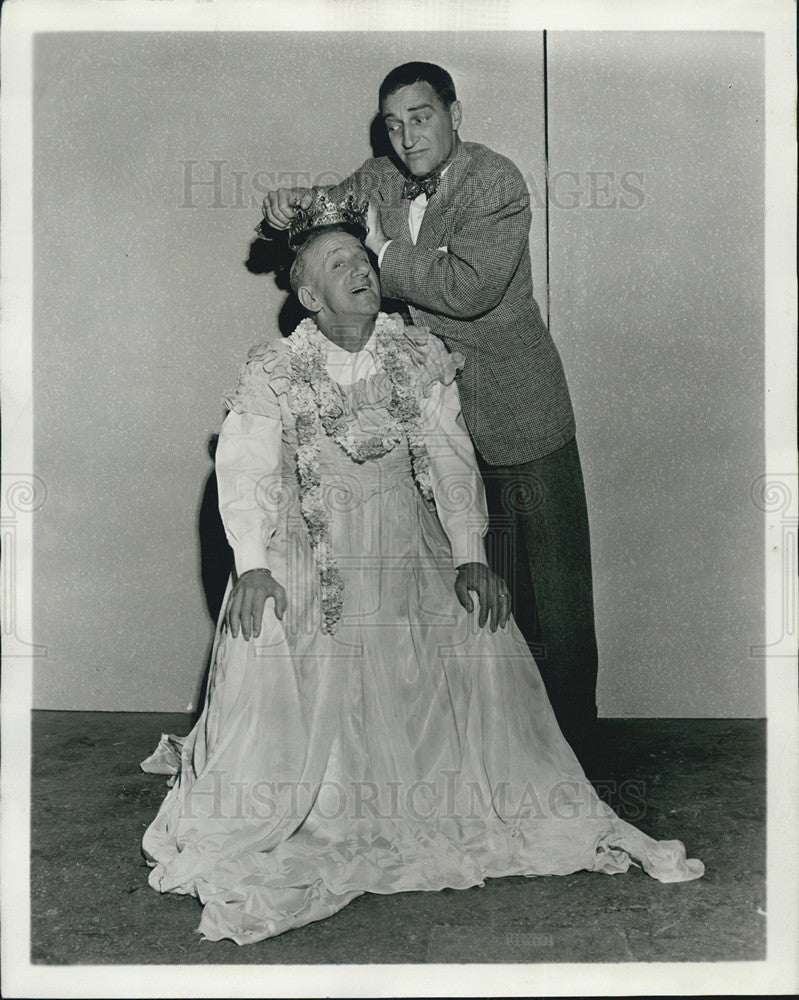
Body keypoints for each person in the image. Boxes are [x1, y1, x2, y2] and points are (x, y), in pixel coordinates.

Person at [142, 198, 702, 945]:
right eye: (338, 265)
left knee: (464, 635)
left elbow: (449, 459)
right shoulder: (276, 368)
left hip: (407, 550)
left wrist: (472, 553)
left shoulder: (418, 357)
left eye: (363, 260)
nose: (360, 272)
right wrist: (251, 565)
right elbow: (244, 472)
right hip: (314, 554)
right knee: (279, 642)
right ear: (309, 296)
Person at [259, 61, 598, 764]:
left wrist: (379, 246)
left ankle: (576, 764)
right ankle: (502, 753)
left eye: (420, 117)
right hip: (426, 426)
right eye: (392, 123)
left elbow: (465, 288)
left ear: (452, 113)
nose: (406, 135)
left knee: (552, 603)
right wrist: (292, 199)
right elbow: (331, 203)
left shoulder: (496, 180)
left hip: (516, 413)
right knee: (471, 591)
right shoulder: (380, 175)